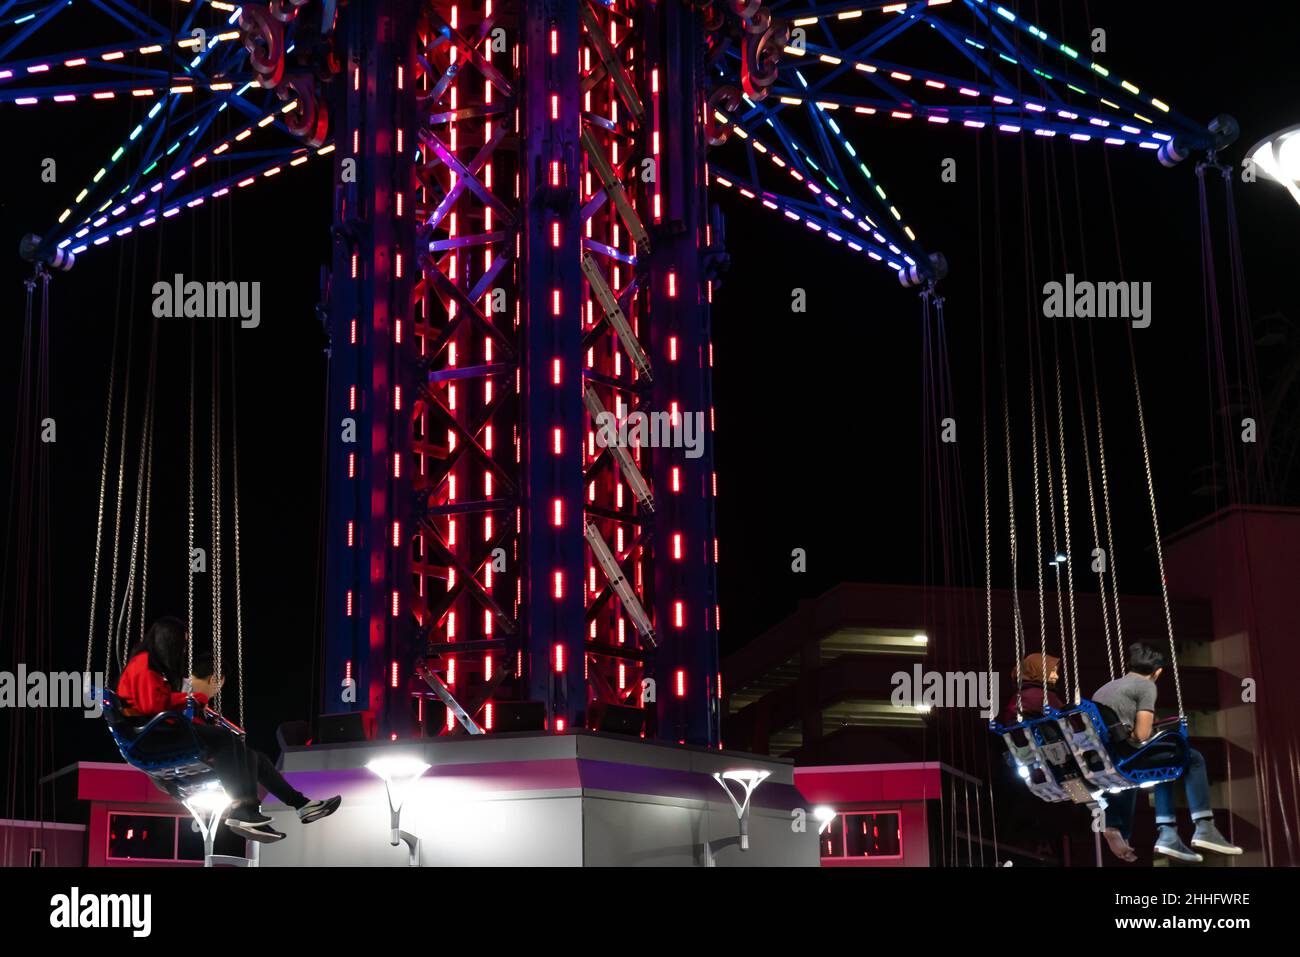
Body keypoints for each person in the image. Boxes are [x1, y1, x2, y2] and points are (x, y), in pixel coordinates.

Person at [116, 616, 342, 843]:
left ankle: (301, 805)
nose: (182, 650)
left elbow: (156, 702)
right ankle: (244, 809)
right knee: (224, 739)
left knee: (254, 757)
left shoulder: (150, 665)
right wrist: (189, 700)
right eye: (181, 644)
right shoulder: (144, 664)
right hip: (152, 737)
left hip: (159, 732)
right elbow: (152, 705)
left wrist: (187, 703)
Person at [1093, 642, 1242, 863]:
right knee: (1193, 758)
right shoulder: (1146, 687)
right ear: (1158, 671)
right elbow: (1142, 734)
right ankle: (1204, 827)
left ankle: (1168, 833)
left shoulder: (1104, 688)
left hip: (1108, 755)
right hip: (1129, 755)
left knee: (1164, 766)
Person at [999, 652, 1064, 725]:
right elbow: (1068, 725)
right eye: (1052, 671)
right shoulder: (1043, 695)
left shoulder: (1019, 695)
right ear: (1038, 669)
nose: (1056, 676)